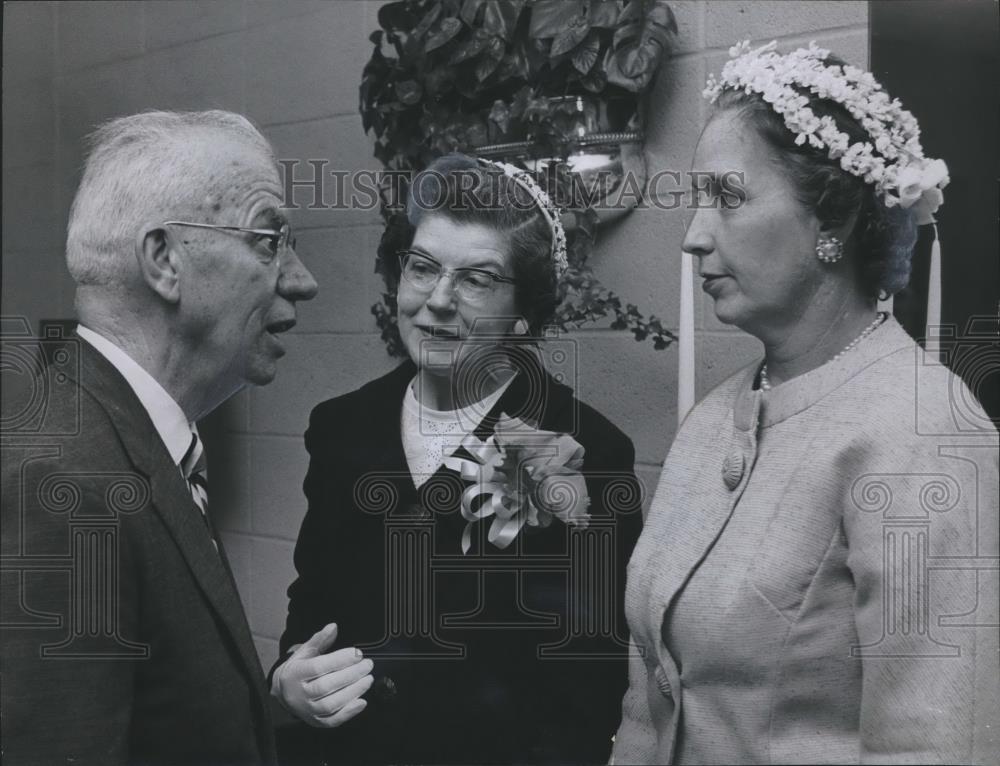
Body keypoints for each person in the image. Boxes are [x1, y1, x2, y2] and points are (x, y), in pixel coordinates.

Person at [612, 42, 999, 765]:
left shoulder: (924, 431)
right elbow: (647, 705)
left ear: (835, 223)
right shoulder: (710, 420)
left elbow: (935, 743)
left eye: (728, 197)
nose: (694, 239)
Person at [0, 110, 372, 765]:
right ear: (166, 260)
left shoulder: (131, 440)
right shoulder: (65, 485)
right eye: (269, 239)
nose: (302, 280)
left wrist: (268, 705)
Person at [271, 154, 644, 764]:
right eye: (422, 268)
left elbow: (589, 684)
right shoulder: (340, 427)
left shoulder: (589, 451)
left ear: (526, 309)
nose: (437, 300)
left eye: (476, 279)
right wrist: (289, 680)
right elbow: (314, 604)